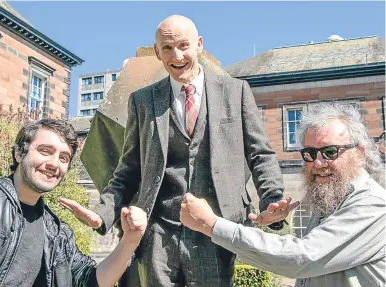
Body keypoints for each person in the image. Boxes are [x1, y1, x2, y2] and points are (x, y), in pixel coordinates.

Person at [60, 15, 292, 286]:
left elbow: (259, 153)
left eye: (184, 45)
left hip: (215, 228)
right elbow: (128, 169)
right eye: (167, 48)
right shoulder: (142, 101)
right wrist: (103, 212)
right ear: (157, 51)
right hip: (158, 231)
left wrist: (272, 198)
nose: (177, 55)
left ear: (199, 45)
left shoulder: (236, 92)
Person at [180, 103, 386, 287]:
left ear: (359, 153)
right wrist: (272, 222)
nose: (319, 163)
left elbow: (302, 258)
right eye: (310, 154)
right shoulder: (331, 198)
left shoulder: (373, 205)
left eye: (330, 152)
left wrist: (212, 225)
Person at [0, 118, 147, 287]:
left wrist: (130, 241)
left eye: (63, 158)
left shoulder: (57, 233)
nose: (54, 164)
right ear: (19, 153)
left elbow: (91, 280)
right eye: (45, 151)